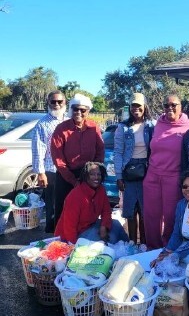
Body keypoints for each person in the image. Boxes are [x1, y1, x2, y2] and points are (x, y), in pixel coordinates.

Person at [143, 94, 189, 248]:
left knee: (171, 216)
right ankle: (152, 248)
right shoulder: (158, 124)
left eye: (173, 105)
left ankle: (168, 248)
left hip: (173, 177)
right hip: (152, 175)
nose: (169, 108)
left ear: (181, 107)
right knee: (151, 215)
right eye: (166, 105)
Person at [51, 93, 104, 226]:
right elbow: (57, 158)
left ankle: (83, 240)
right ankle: (61, 242)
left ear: (88, 111)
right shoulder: (61, 129)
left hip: (88, 175)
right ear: (71, 109)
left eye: (83, 110)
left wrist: (94, 172)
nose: (78, 112)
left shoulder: (94, 127)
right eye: (75, 109)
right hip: (66, 175)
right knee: (63, 210)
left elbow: (100, 150)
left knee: (87, 210)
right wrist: (73, 181)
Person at [55, 161, 128, 244]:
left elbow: (106, 211)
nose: (96, 177)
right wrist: (73, 246)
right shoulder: (75, 195)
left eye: (99, 174)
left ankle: (130, 249)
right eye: (92, 174)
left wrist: (104, 227)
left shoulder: (101, 189)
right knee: (111, 239)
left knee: (116, 225)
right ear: (86, 176)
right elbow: (69, 227)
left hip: (92, 225)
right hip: (75, 234)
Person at [114, 93, 154, 245]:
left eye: (139, 106)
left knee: (145, 210)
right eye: (133, 106)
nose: (136, 109)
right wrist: (119, 176)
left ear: (145, 107)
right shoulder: (122, 128)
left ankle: (144, 243)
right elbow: (118, 152)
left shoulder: (151, 126)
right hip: (129, 170)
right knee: (130, 211)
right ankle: (132, 244)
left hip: (147, 170)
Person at [31, 90, 67, 233]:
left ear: (65, 102)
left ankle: (66, 233)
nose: (56, 104)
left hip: (68, 170)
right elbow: (37, 150)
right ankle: (53, 236)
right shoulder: (42, 124)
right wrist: (41, 173)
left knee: (66, 203)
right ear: (48, 103)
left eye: (60, 101)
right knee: (52, 206)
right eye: (53, 101)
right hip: (51, 170)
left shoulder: (69, 120)